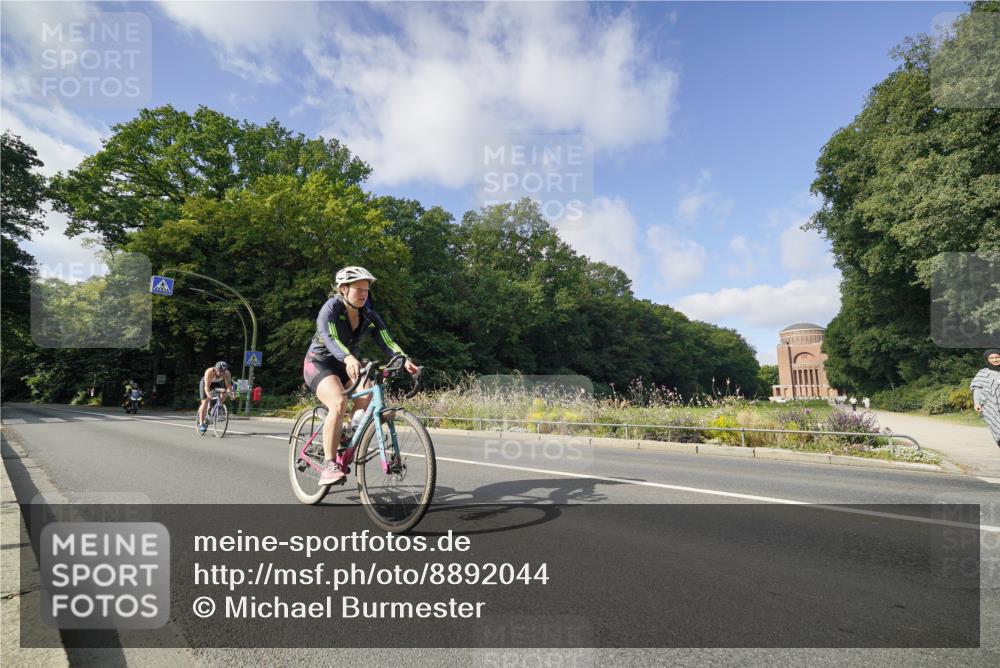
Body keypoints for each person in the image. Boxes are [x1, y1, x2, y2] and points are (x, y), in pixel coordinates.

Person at [303, 266, 418, 484]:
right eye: (359, 289)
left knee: (367, 394)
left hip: (349, 364)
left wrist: (404, 360)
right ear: (343, 289)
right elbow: (330, 337)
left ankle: (347, 432)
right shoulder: (331, 308)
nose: (364, 294)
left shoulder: (369, 314)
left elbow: (386, 340)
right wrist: (347, 358)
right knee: (338, 402)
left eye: (366, 290)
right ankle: (329, 465)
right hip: (320, 363)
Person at [971, 349, 1000, 448]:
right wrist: (977, 403)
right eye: (991, 358)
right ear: (987, 360)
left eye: (997, 357)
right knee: (998, 431)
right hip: (990, 407)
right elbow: (977, 389)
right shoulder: (983, 373)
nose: (995, 359)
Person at [197, 361, 232, 434]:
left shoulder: (227, 373)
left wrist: (231, 394)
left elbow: (228, 386)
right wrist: (208, 394)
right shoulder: (209, 372)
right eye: (220, 371)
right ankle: (201, 424)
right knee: (205, 402)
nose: (222, 373)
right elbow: (206, 387)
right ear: (215, 369)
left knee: (224, 393)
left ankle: (214, 408)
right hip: (207, 384)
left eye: (223, 371)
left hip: (217, 384)